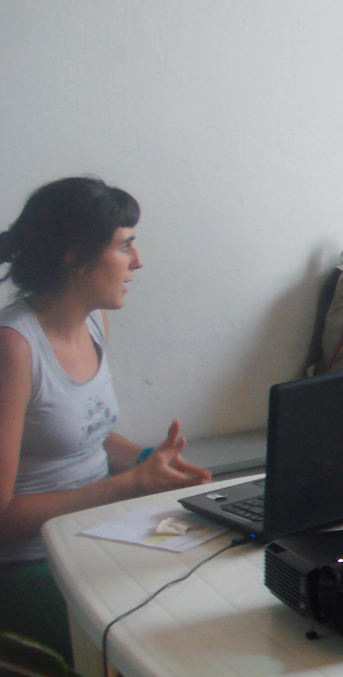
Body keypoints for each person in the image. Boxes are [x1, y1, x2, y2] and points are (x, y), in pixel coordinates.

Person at [0, 177, 211, 660]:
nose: (138, 261)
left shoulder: (94, 321)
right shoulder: (12, 348)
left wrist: (149, 461)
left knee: (206, 592)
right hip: (25, 565)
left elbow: (83, 432)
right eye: (125, 245)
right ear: (76, 258)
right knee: (152, 645)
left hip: (94, 534)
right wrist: (128, 485)